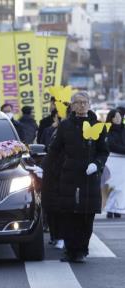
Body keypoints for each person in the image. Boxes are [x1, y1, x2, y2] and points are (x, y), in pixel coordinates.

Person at [48, 91, 109, 263]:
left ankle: (82, 249)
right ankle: (70, 250)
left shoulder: (98, 125)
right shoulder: (66, 125)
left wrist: (96, 164)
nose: (82, 105)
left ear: (89, 104)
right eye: (78, 102)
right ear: (72, 106)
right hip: (69, 176)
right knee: (69, 215)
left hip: (89, 177)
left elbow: (104, 151)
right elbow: (55, 150)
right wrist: (52, 169)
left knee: (86, 216)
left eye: (85, 102)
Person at [104, 109, 125, 218]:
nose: (118, 119)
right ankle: (110, 208)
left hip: (123, 163)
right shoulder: (108, 130)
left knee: (122, 187)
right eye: (116, 117)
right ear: (111, 119)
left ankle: (118, 208)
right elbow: (111, 145)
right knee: (112, 186)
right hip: (112, 162)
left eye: (120, 116)